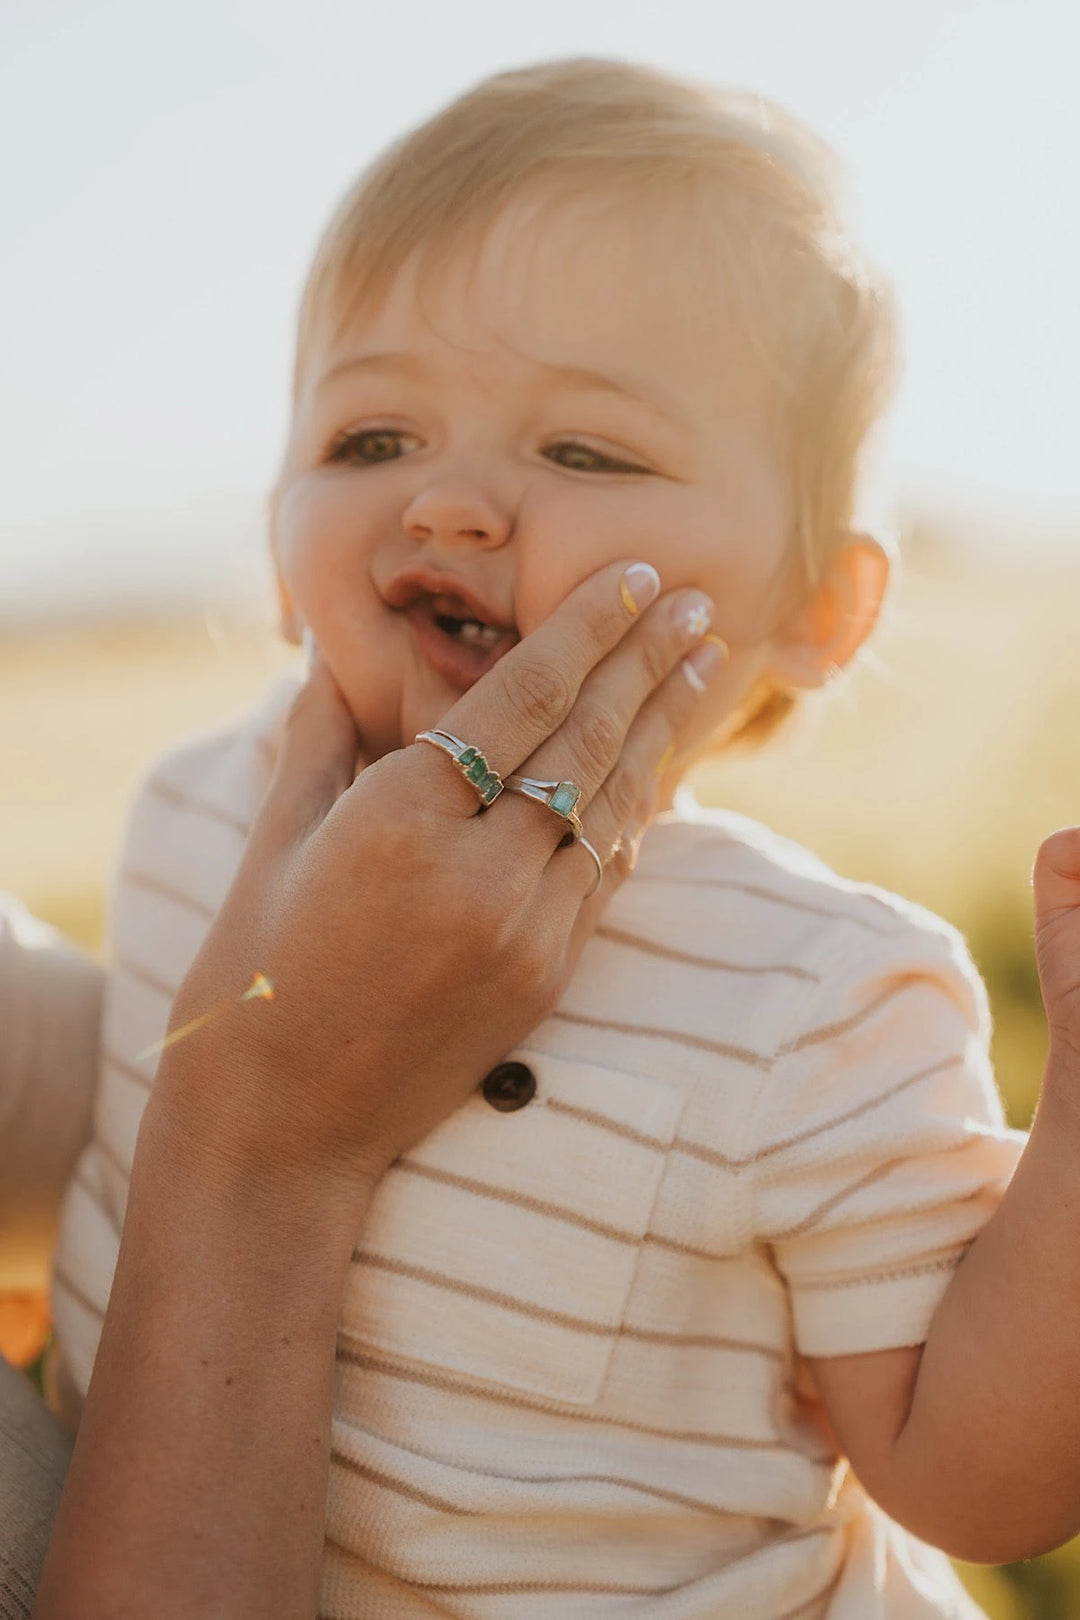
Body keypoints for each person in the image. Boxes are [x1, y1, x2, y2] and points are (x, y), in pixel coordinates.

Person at [26, 55, 1080, 1619]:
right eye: (371, 439)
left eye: (585, 453)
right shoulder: (195, 810)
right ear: (272, 532)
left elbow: (976, 1484)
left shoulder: (821, 988)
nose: (449, 505)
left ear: (819, 612)